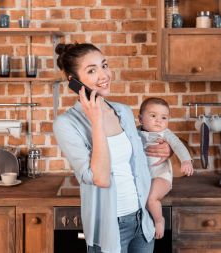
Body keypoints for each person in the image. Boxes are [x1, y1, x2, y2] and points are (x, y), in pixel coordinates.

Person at [53, 43, 172, 253]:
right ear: (74, 82)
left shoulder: (123, 112)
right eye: (92, 70)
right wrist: (96, 120)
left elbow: (140, 160)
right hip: (110, 227)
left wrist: (166, 150)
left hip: (142, 220)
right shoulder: (67, 124)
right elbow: (101, 178)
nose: (104, 75)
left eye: (104, 65)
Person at [138, 97, 194, 239]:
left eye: (164, 117)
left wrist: (186, 161)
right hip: (142, 177)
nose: (159, 121)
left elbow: (179, 146)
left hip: (160, 176)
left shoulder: (166, 134)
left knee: (151, 198)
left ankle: (159, 220)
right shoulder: (135, 134)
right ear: (140, 119)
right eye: (153, 116)